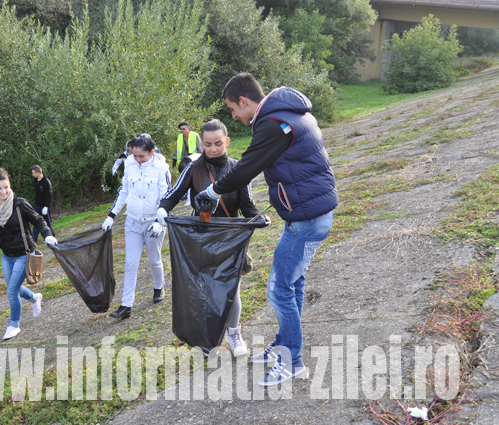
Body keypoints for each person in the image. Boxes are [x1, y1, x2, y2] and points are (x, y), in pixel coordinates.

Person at [194, 73, 338, 386]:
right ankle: (285, 346)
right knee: (293, 283)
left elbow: (246, 167)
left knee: (278, 288)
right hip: (312, 214)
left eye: (233, 109)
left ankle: (292, 360)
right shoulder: (290, 115)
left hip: (307, 220)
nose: (233, 116)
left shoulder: (274, 124)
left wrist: (213, 192)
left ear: (244, 101)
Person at [157, 119, 259, 357]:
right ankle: (207, 336)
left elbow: (248, 205)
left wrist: (258, 218)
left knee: (231, 289)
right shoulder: (193, 168)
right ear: (201, 144)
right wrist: (163, 210)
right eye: (208, 144)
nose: (213, 149)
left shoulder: (238, 168)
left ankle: (235, 335)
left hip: (231, 237)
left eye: (218, 144)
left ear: (228, 142)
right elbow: (173, 195)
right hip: (201, 238)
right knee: (204, 291)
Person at [0, 165, 58, 340]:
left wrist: (47, 235)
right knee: (14, 289)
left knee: (11, 292)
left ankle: (14, 325)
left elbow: (38, 220)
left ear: (10, 186)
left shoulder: (19, 203)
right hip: (7, 256)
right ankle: (35, 299)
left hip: (24, 253)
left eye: (6, 187)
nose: (4, 191)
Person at [102, 135, 171, 319]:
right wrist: (111, 215)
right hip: (132, 221)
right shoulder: (130, 164)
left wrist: (159, 221)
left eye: (141, 156)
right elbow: (123, 191)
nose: (137, 159)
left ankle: (159, 286)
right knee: (130, 263)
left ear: (151, 152)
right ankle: (126, 305)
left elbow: (167, 196)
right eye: (134, 155)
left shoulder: (161, 168)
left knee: (154, 258)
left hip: (153, 223)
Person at [31, 165, 56, 243]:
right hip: (37, 206)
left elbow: (49, 195)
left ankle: (51, 237)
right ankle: (33, 240)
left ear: (38, 173)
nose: (32, 175)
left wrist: (46, 206)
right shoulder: (35, 180)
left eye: (33, 173)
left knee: (47, 223)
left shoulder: (46, 182)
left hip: (44, 207)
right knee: (36, 223)